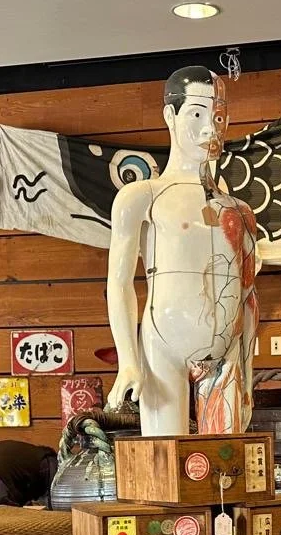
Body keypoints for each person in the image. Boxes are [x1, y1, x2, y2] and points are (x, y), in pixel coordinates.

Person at [105, 65, 259, 435]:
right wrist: (127, 360)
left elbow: (249, 294)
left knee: (225, 471)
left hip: (227, 348)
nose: (210, 127)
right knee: (165, 464)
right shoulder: (142, 196)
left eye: (218, 116)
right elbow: (119, 283)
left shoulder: (239, 211)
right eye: (197, 113)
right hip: (164, 343)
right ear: (170, 116)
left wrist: (249, 376)